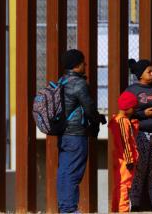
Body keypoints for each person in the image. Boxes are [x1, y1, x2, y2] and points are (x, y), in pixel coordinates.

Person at [57, 49, 107, 213]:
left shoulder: (62, 81)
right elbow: (89, 108)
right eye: (83, 62)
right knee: (73, 172)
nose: (85, 65)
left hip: (63, 134)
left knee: (64, 171)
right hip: (76, 134)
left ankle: (65, 207)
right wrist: (98, 118)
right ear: (77, 65)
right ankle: (70, 209)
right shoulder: (79, 84)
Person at [126, 59, 152, 212]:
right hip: (140, 134)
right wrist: (143, 113)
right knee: (139, 171)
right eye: (149, 71)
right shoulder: (132, 90)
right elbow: (126, 111)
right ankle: (135, 205)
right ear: (140, 74)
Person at [109, 91, 140, 213]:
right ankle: (123, 210)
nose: (134, 110)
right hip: (124, 160)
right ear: (127, 107)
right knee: (124, 186)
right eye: (133, 107)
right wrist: (130, 160)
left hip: (120, 158)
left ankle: (116, 209)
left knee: (119, 184)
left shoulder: (120, 120)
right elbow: (125, 142)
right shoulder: (122, 122)